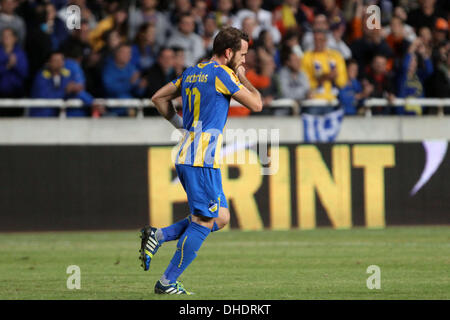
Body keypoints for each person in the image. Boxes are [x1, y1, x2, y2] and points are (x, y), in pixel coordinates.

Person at [140, 27, 262, 294]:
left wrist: (182, 127)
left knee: (221, 217)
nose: (244, 60)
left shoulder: (192, 72)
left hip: (193, 156)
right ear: (228, 53)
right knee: (204, 222)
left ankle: (158, 236)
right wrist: (243, 78)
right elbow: (256, 104)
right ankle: (167, 282)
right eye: (242, 55)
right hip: (199, 160)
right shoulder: (222, 74)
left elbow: (158, 98)